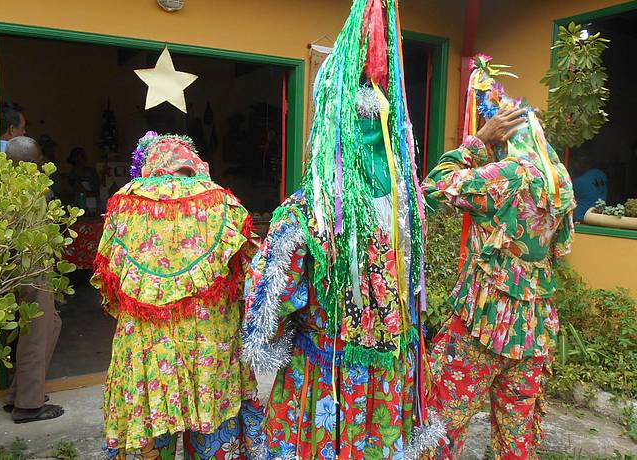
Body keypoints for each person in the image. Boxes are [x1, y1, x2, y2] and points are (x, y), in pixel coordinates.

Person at [242, 1, 444, 458]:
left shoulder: (303, 216)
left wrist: (274, 341)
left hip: (324, 384)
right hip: (393, 379)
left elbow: (270, 306)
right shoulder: (411, 212)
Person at [422, 55, 575, 458]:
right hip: (534, 328)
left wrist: (479, 141)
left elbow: (435, 189)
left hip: (484, 324)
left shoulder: (507, 175)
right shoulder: (560, 183)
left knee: (442, 421)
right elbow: (558, 249)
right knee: (516, 437)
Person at [92, 132, 264, 459]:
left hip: (147, 358)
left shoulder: (124, 204)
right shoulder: (224, 203)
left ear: (149, 165)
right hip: (211, 356)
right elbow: (253, 279)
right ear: (195, 162)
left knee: (152, 444)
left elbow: (108, 284)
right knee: (214, 440)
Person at [3, 136, 64, 423]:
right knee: (36, 334)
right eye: (39, 159)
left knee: (48, 325)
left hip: (17, 270)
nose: (43, 163)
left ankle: (20, 393)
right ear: (30, 164)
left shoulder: (3, 188)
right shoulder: (32, 191)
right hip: (32, 270)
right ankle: (28, 406)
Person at [570, 149, 607, 221]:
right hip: (599, 216)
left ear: (583, 163)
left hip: (580, 217)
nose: (574, 165)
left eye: (576, 162)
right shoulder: (601, 174)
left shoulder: (578, 182)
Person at [67, 147, 100, 213]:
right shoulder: (72, 173)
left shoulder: (92, 171)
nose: (84, 158)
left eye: (84, 155)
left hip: (92, 202)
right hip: (78, 203)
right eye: (81, 156)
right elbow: (74, 187)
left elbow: (96, 188)